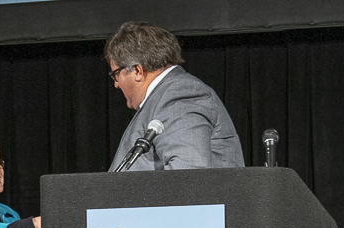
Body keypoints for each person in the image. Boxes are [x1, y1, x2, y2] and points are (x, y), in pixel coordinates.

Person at [105, 21, 245, 171]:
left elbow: (188, 172)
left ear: (138, 71)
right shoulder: (166, 95)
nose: (116, 84)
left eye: (116, 74)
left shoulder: (179, 94)